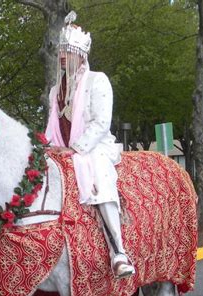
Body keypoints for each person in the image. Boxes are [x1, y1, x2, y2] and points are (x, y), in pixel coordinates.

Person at [45, 11, 135, 279]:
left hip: (93, 148)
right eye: (61, 50)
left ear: (81, 54)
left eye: (68, 50)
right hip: (61, 147)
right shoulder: (55, 90)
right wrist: (47, 147)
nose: (63, 55)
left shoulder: (98, 80)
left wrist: (75, 149)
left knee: (98, 175)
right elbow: (52, 126)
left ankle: (118, 251)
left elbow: (101, 123)